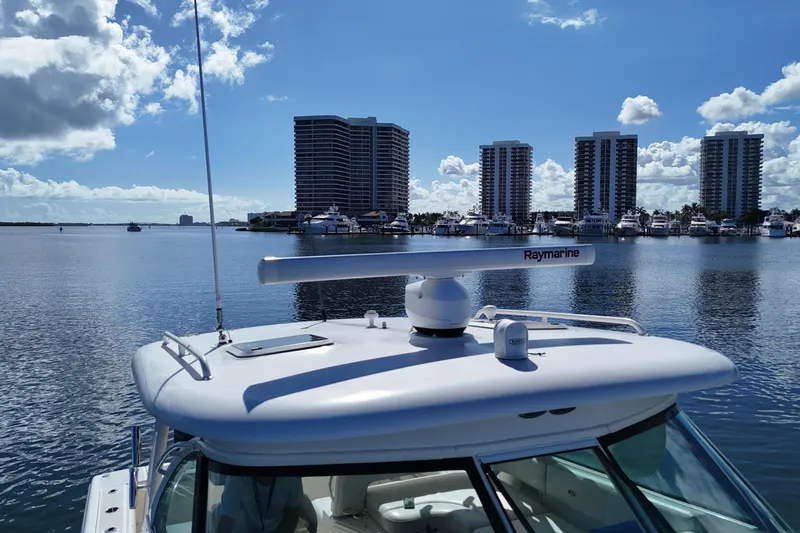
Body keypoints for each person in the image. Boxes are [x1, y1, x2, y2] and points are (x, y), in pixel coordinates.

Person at [215, 475, 303, 533]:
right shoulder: (236, 479)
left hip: (279, 529)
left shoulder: (291, 477)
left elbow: (292, 516)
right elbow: (226, 521)